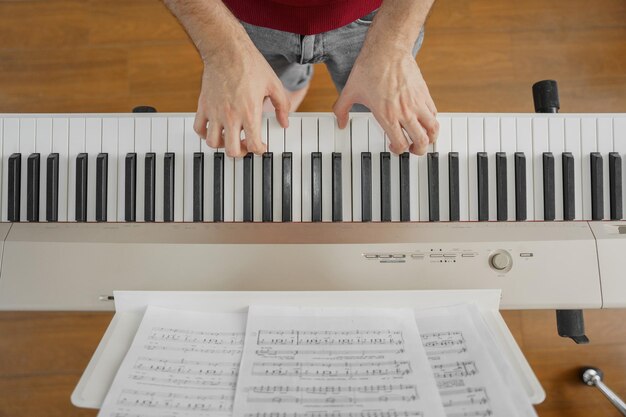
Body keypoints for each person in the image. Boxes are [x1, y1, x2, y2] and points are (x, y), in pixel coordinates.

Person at [163, 0, 439, 158]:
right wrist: (225, 52)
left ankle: (291, 84)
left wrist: (392, 46)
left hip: (380, 15)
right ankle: (293, 82)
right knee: (277, 83)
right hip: (239, 19)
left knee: (375, 124)